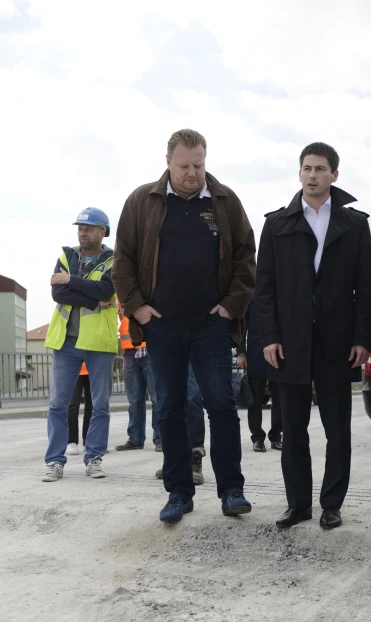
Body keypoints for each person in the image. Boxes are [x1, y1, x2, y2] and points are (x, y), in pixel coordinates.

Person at [112, 128, 256, 522]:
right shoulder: (143, 201)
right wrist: (138, 308)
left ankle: (232, 490)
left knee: (222, 405)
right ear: (168, 163)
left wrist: (231, 306)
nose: (193, 173)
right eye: (184, 166)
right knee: (170, 409)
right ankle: (179, 492)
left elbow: (247, 258)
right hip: (162, 327)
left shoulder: (225, 202)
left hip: (211, 326)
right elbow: (122, 261)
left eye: (199, 165)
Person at [256, 142, 371, 530]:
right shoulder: (277, 224)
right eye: (307, 168)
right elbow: (265, 287)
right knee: (292, 429)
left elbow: (365, 286)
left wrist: (363, 337)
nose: (312, 175)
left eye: (321, 169)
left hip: (337, 341)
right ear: (299, 173)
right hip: (289, 342)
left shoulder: (355, 224)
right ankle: (298, 504)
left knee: (337, 429)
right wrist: (269, 335)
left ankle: (331, 504)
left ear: (334, 175)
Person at [43, 207, 117, 481]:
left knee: (101, 405)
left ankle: (94, 459)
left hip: (99, 342)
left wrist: (72, 280)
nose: (82, 232)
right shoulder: (67, 255)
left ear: (102, 232)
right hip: (66, 342)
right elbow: (57, 292)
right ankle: (54, 461)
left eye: (88, 228)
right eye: (80, 228)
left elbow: (107, 289)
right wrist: (92, 299)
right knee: (57, 405)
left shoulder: (113, 259)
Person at [237, 294, 282, 452]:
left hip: (281, 352)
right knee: (255, 399)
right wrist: (241, 352)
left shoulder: (283, 292)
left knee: (280, 398)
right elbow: (243, 324)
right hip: (256, 353)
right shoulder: (252, 294)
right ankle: (257, 438)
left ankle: (276, 436)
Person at [115, 308, 161, 452]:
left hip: (150, 349)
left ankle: (160, 438)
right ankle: (135, 439)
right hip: (129, 352)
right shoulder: (120, 295)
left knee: (157, 398)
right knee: (134, 400)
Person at [155, 364, 206, 485]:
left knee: (193, 397)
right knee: (168, 400)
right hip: (168, 347)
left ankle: (195, 456)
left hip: (194, 349)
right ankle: (173, 460)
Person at [66, 362, 91, 455]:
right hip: (74, 367)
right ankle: (71, 441)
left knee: (92, 406)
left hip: (93, 367)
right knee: (73, 405)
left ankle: (89, 440)